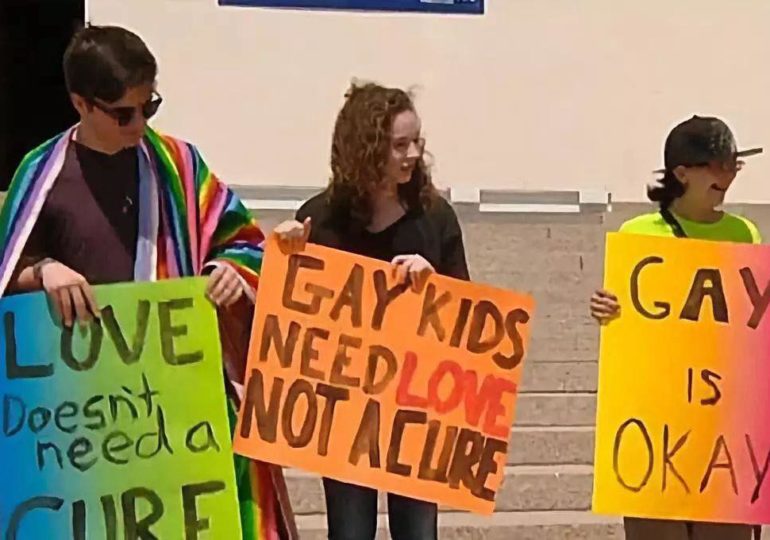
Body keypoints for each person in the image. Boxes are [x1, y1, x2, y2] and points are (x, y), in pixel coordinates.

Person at [0, 25, 297, 540]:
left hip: (176, 403)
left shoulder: (179, 165)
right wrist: (43, 270)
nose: (140, 125)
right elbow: (7, 273)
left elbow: (243, 241)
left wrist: (227, 272)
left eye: (149, 107)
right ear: (80, 104)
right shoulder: (41, 175)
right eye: (124, 114)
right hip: (84, 415)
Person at [273, 81, 470, 540]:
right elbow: (289, 322)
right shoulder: (319, 219)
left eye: (417, 141)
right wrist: (285, 255)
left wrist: (434, 284)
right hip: (344, 412)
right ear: (366, 148)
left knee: (418, 532)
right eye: (400, 144)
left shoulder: (435, 217)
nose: (413, 154)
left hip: (415, 410)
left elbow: (468, 315)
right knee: (349, 532)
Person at [590, 115, 763, 540]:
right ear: (682, 173)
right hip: (658, 430)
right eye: (718, 166)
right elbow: (630, 329)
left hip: (723, 430)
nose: (728, 176)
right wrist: (607, 308)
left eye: (734, 165)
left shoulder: (745, 234)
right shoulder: (639, 234)